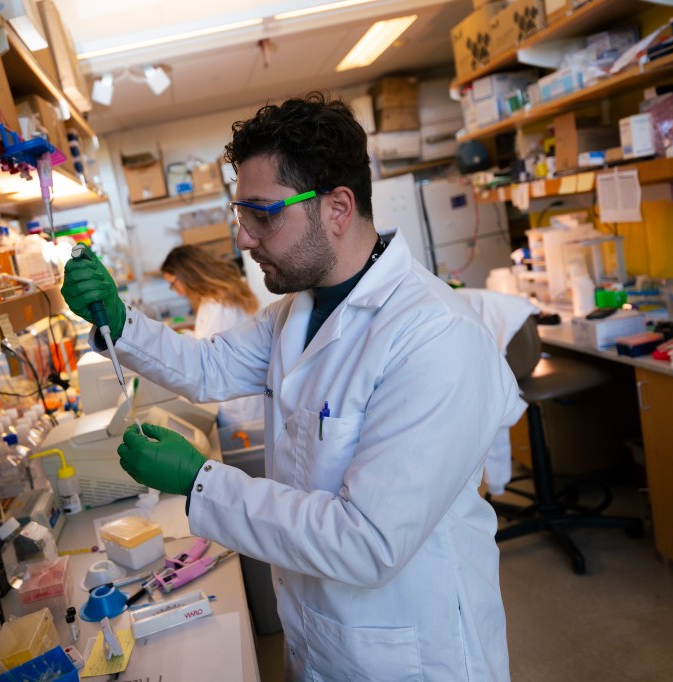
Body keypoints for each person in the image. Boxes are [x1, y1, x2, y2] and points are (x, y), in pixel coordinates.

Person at [62, 92, 524, 681]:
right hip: (319, 635)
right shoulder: (294, 313)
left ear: (337, 207)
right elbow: (207, 368)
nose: (245, 239)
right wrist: (120, 324)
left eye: (264, 214)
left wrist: (199, 483)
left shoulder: (435, 338)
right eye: (241, 215)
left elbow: (367, 542)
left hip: (411, 651)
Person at [160, 244, 263, 428]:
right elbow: (210, 339)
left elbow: (206, 355)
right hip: (239, 393)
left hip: (239, 406)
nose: (176, 291)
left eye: (173, 284)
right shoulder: (218, 297)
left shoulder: (217, 305)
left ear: (187, 274)